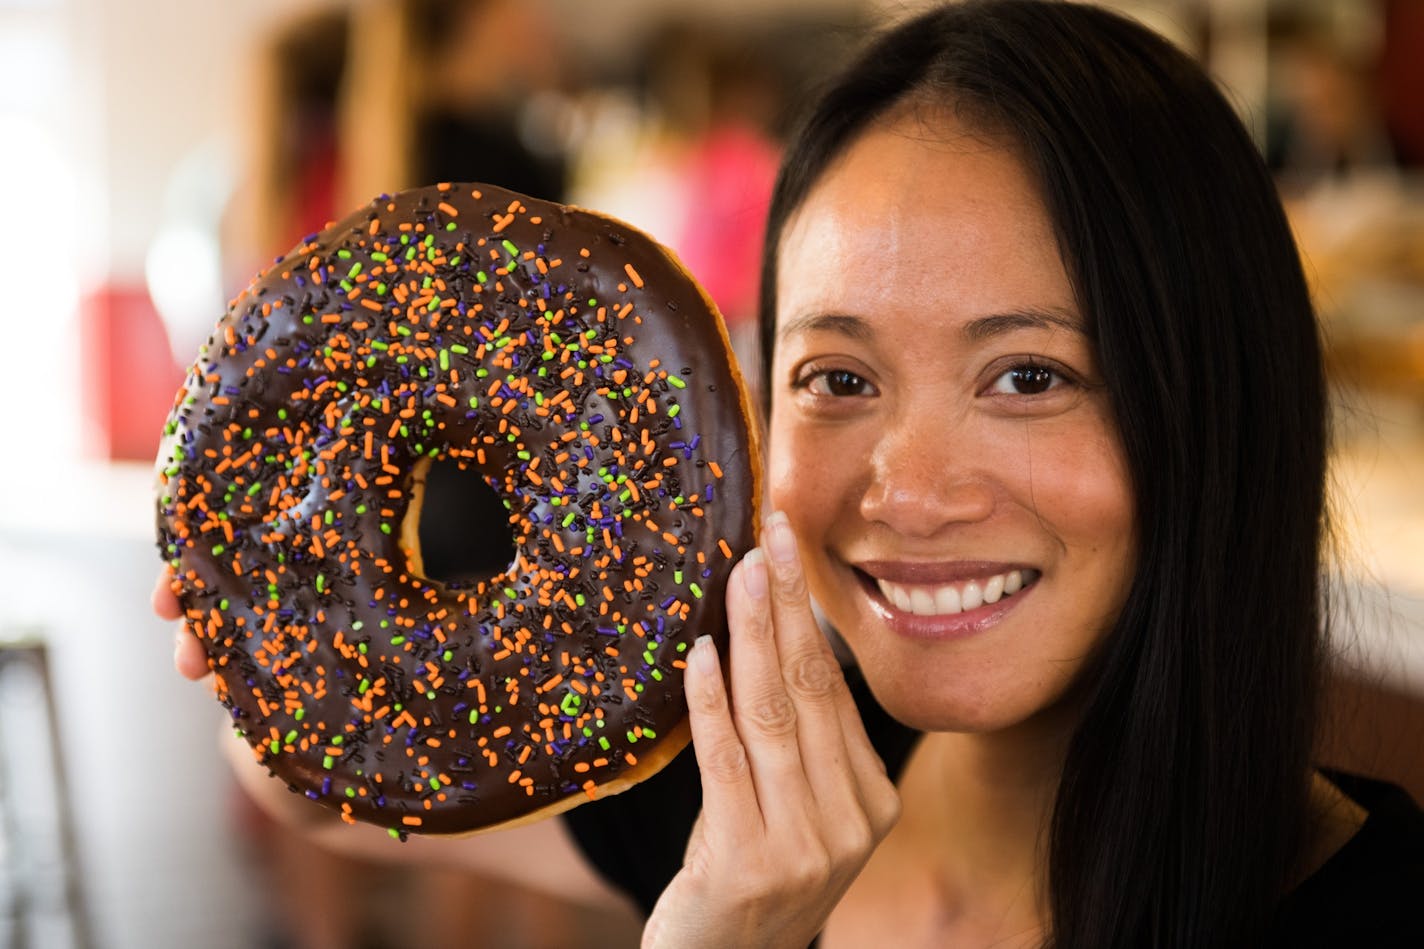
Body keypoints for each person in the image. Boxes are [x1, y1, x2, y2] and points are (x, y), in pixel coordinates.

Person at [154, 2, 1424, 946]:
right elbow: (334, 800)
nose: (907, 493)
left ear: (1217, 399)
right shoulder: (764, 786)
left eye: (1027, 376)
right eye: (840, 379)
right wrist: (303, 680)